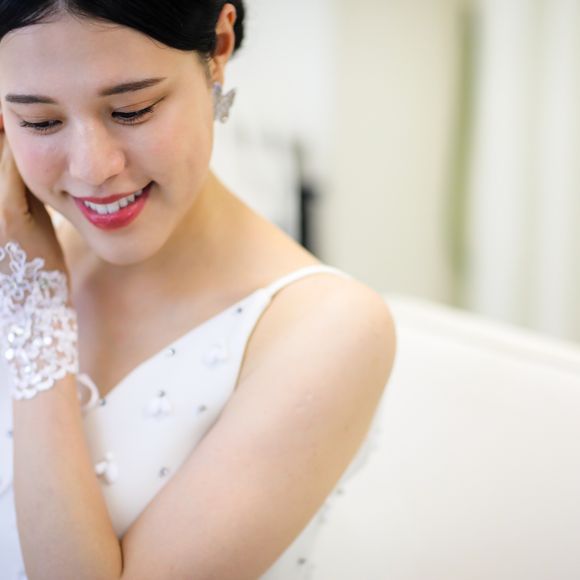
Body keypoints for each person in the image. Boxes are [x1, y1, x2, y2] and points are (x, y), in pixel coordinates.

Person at [0, 1, 397, 578]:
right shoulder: (14, 249)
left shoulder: (327, 331)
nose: (92, 168)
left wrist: (35, 307)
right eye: (40, 121)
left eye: (132, 110)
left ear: (218, 47)